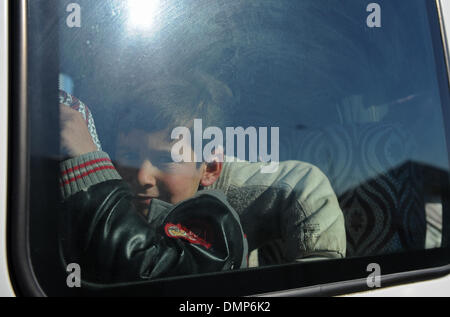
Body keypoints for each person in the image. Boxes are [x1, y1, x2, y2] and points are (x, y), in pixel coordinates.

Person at [58, 71, 346, 283]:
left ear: (209, 168)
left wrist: (90, 170)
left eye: (166, 160)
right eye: (128, 156)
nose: (143, 176)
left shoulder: (219, 220)